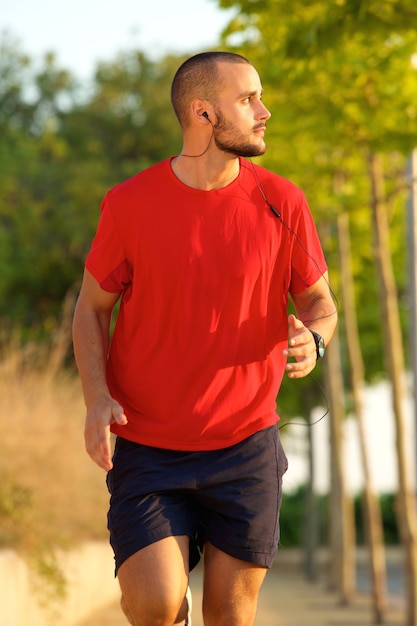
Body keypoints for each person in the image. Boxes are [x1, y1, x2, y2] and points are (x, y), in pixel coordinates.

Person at [72, 51, 337, 626]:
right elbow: (91, 309)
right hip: (148, 445)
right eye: (247, 100)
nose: (264, 112)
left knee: (231, 616)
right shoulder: (129, 204)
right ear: (202, 113)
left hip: (245, 445)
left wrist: (313, 341)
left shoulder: (282, 201)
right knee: (155, 603)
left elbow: (321, 304)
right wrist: (96, 397)